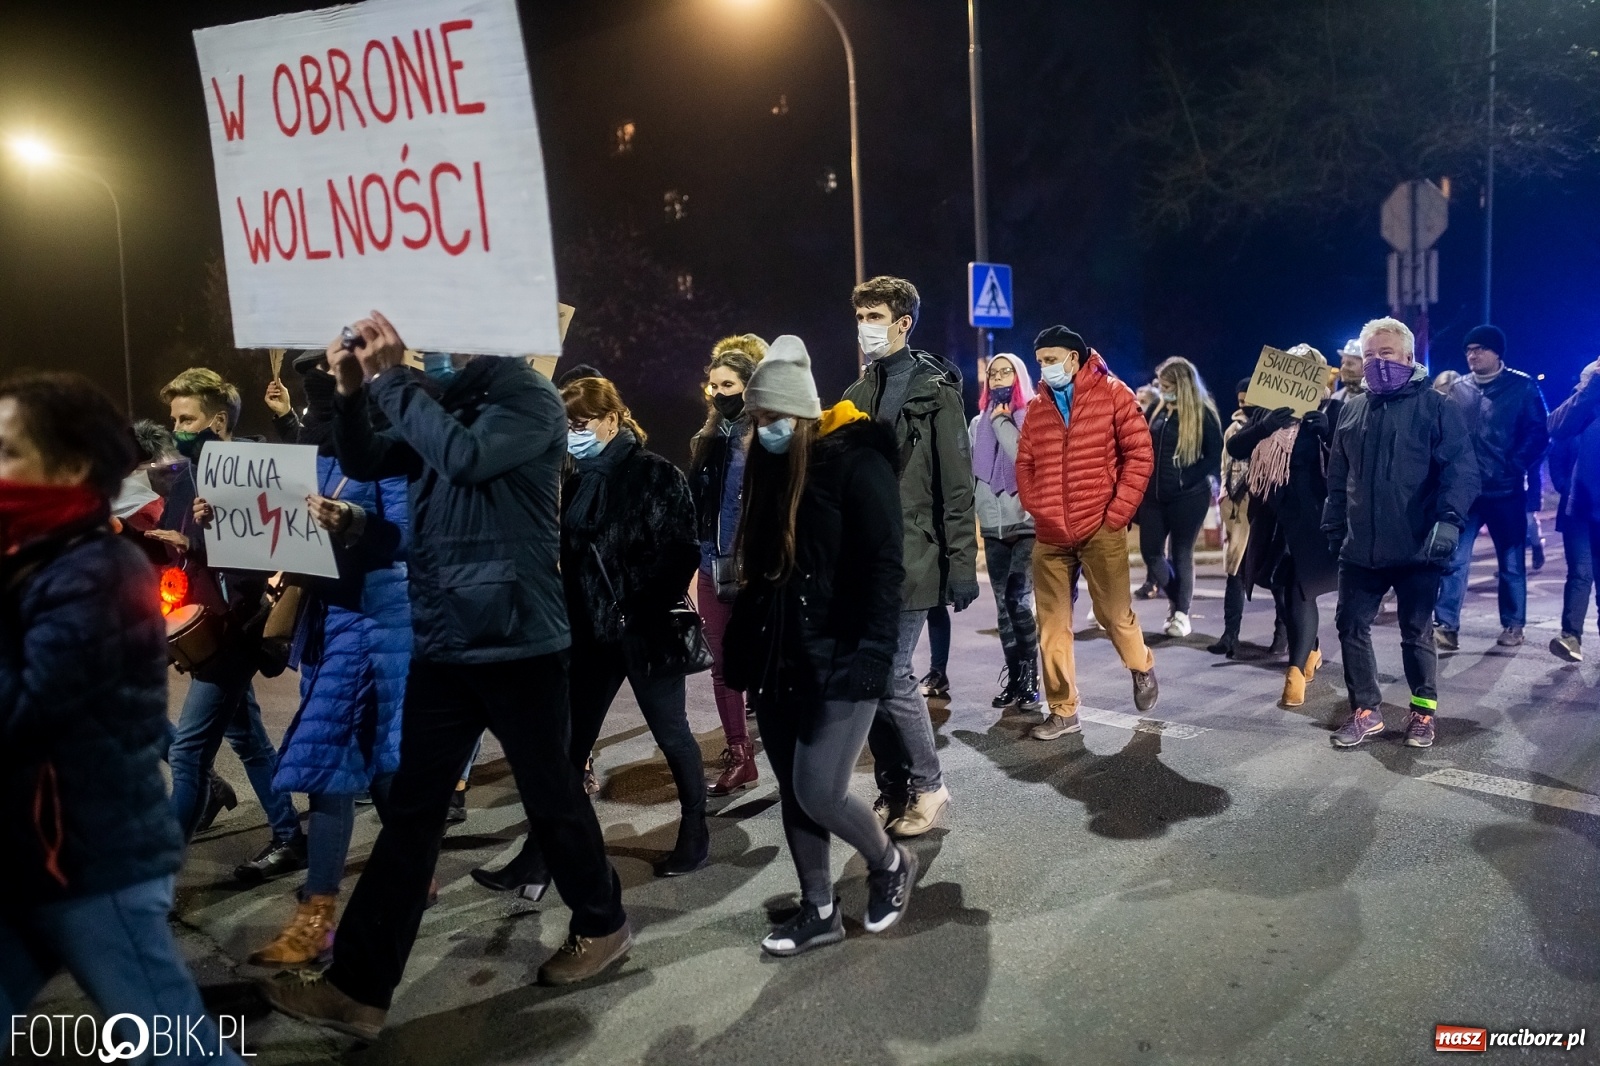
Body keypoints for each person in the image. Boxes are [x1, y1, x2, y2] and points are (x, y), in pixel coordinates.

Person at [265, 313, 629, 1042]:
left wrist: (397, 379)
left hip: (518, 638)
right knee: (412, 816)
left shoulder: (528, 397)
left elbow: (460, 458)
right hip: (444, 640)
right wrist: (348, 387)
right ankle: (359, 990)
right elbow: (368, 461)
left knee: (551, 797)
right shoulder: (438, 395)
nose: (433, 337)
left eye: (448, 323)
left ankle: (603, 922)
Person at [0, 372, 244, 1066]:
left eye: (8, 449)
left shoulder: (99, 569)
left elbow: (30, 709)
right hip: (29, 852)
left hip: (92, 857)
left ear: (71, 467)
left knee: (176, 1050)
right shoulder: (27, 556)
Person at [722, 337, 917, 955]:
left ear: (803, 415)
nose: (762, 430)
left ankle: (890, 862)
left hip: (843, 650)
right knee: (794, 788)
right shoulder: (768, 466)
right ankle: (820, 909)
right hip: (784, 655)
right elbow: (764, 572)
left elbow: (887, 567)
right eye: (756, 419)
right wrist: (743, 653)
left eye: (771, 418)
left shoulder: (858, 464)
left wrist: (875, 655)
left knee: (821, 789)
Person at [240, 353, 411, 969]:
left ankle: (317, 915)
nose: (320, 411)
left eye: (330, 398)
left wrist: (353, 520)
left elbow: (405, 539)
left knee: (330, 760)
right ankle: (411, 868)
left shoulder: (389, 448)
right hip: (330, 618)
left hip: (374, 618)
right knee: (379, 759)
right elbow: (273, 530)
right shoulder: (314, 459)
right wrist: (221, 523)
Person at [556, 376, 708, 876]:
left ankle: (694, 830)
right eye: (568, 426)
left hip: (644, 629)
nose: (573, 435)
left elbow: (682, 549)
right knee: (571, 743)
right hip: (591, 634)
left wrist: (639, 608)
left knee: (671, 732)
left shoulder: (655, 474)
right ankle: (544, 852)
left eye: (581, 424)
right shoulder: (578, 479)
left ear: (612, 420)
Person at [841, 276, 976, 838]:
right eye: (860, 316)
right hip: (864, 560)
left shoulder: (935, 392)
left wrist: (962, 564)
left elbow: (957, 484)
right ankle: (893, 788)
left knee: (892, 672)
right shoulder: (855, 393)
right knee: (870, 674)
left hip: (914, 553)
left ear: (903, 323)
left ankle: (929, 785)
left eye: (875, 315)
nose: (865, 326)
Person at [157, 368, 305, 879]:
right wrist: (181, 541)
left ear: (217, 421)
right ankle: (289, 837)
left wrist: (207, 532)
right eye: (173, 417)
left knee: (188, 754)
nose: (177, 427)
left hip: (235, 630)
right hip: (203, 631)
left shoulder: (253, 467)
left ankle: (156, 877)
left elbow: (270, 551)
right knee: (249, 742)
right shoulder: (185, 476)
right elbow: (181, 549)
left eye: (187, 417)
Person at [1323, 318, 1478, 749]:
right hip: (1360, 549)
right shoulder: (1351, 409)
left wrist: (1449, 521)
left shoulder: (1438, 407)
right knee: (1351, 625)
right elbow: (1338, 476)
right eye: (1369, 355)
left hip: (1418, 546)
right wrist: (1334, 523)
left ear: (1409, 357)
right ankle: (1366, 711)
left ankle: (1422, 712)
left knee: (1416, 632)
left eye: (1385, 354)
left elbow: (1461, 471)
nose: (1376, 363)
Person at [1016, 326, 1159, 740]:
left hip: (1100, 526)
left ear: (1074, 358)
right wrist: (1036, 504)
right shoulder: (1039, 406)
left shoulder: (1114, 393)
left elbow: (1139, 454)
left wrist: (1117, 513)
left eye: (1051, 358)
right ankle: (1063, 710)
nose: (1044, 367)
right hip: (1051, 534)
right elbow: (1025, 463)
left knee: (1113, 615)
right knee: (1052, 626)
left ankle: (1141, 664)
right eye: (1040, 360)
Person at [1226, 346, 1343, 708]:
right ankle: (1311, 648)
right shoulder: (1267, 411)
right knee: (1280, 588)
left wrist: (1328, 434)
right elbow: (1236, 446)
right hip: (1272, 518)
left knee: (1298, 589)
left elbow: (1351, 457)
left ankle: (1294, 672)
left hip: (1311, 519)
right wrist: (1264, 425)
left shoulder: (1332, 409)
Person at [1434, 325, 1549, 649]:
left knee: (1511, 564)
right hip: (1466, 492)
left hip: (1506, 491)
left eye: (1480, 349)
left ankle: (1513, 625)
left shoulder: (1522, 387)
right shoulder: (1458, 389)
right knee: (1455, 561)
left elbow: (1539, 433)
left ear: (1497, 353)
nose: (1473, 355)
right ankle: (1446, 626)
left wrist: (1514, 464)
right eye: (1469, 350)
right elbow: (1445, 434)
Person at [688, 334, 766, 796]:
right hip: (713, 566)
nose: (719, 392)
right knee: (723, 667)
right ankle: (740, 754)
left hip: (759, 570)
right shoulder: (704, 438)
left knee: (770, 664)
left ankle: (796, 753)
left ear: (749, 386)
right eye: (713, 385)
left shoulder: (770, 436)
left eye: (728, 384)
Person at [970, 352, 1041, 710]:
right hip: (993, 526)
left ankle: (1031, 676)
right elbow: (973, 474)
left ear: (1020, 377)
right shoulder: (976, 423)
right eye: (993, 374)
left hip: (1026, 524)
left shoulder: (1031, 417)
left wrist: (1002, 422)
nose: (998, 378)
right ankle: (1014, 677)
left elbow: (1024, 459)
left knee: (1018, 600)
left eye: (1006, 372)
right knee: (1002, 607)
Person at [1135, 357, 1223, 637]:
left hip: (1188, 497)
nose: (1162, 389)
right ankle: (1178, 598)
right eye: (1161, 384)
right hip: (1154, 496)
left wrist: (1187, 478)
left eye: (1167, 385)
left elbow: (1213, 455)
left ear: (1182, 385)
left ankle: (1181, 614)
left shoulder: (1203, 413)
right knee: (1151, 553)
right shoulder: (1157, 409)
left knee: (1180, 552)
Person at [1546, 358, 1600, 662]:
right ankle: (1571, 637)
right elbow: (1555, 429)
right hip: (1578, 506)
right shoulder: (1579, 407)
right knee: (1580, 572)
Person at [1209, 378, 1254, 657]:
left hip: (1265, 509)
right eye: (1240, 401)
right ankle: (1229, 635)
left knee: (1275, 576)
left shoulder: (1274, 427)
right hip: (1239, 508)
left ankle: (1282, 635)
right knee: (1234, 572)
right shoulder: (1233, 430)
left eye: (1248, 400)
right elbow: (1226, 465)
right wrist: (1225, 499)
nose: (1244, 406)